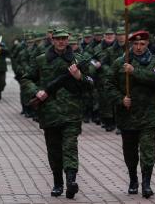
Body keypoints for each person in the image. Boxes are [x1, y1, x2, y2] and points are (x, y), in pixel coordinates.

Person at [21, 28, 93, 199]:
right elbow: (26, 78)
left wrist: (78, 76)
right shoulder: (41, 60)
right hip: (49, 112)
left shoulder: (78, 60)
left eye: (64, 39)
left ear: (68, 40)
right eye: (58, 39)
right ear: (52, 40)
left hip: (72, 113)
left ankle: (71, 181)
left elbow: (91, 83)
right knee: (54, 150)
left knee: (70, 146)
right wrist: (36, 91)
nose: (61, 42)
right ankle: (57, 183)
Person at [106, 30, 155, 199]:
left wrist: (134, 71)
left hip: (149, 115)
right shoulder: (120, 63)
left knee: (147, 150)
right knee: (130, 151)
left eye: (142, 44)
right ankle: (133, 179)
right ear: (131, 44)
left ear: (147, 44)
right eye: (136, 44)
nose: (138, 47)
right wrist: (120, 99)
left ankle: (146, 183)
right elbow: (108, 85)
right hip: (127, 115)